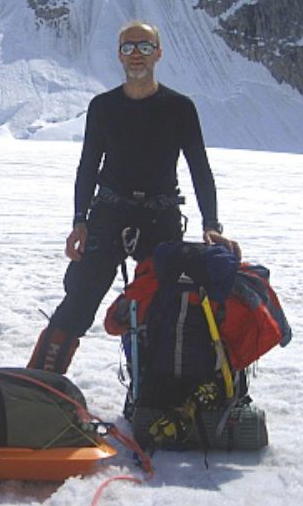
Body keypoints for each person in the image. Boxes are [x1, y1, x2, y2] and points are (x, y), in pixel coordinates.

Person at [27, 20, 240, 374]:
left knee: (161, 307)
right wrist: (79, 221)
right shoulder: (103, 107)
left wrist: (211, 224)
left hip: (160, 214)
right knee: (80, 297)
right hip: (109, 212)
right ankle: (40, 384)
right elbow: (88, 166)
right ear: (119, 55)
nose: (136, 54)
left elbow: (199, 168)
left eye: (144, 46)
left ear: (158, 53)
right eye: (128, 47)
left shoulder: (179, 107)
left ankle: (154, 397)